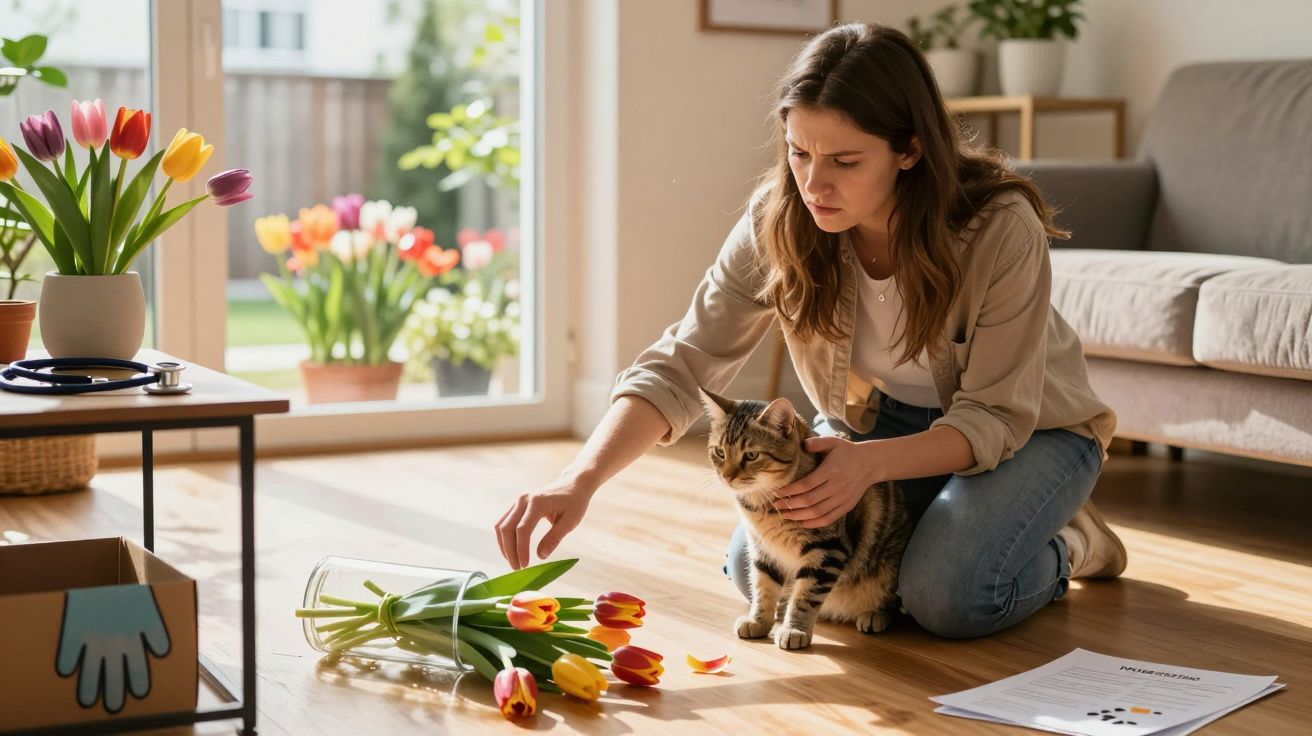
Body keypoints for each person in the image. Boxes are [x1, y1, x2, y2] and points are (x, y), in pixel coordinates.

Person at [495, 22, 1127, 639]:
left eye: (845, 161)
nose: (813, 184)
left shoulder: (998, 227)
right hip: (875, 423)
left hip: (1030, 434)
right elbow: (684, 362)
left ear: (910, 150)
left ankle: (1070, 541)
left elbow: (994, 416)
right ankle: (945, 536)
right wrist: (578, 480)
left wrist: (868, 467)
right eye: (799, 152)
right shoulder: (780, 217)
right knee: (754, 574)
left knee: (947, 597)